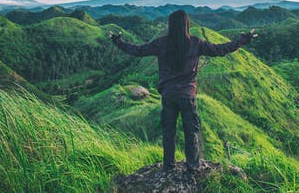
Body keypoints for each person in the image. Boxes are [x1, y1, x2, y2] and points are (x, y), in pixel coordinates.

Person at [109, 10, 257, 173]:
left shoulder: (161, 43)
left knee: (168, 132)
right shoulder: (195, 43)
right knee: (191, 131)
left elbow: (137, 50)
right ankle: (193, 167)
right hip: (187, 96)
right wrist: (243, 40)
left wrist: (118, 42)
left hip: (169, 95)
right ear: (187, 24)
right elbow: (220, 49)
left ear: (170, 25)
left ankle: (168, 166)